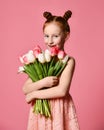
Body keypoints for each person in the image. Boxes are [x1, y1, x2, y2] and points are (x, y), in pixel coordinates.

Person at [22, 10, 80, 130]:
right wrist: (43, 82)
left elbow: (62, 91)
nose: (50, 41)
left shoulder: (68, 61)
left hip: (60, 108)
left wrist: (34, 94)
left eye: (55, 36)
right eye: (46, 36)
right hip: (40, 112)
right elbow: (25, 88)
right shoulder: (40, 58)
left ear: (66, 35)